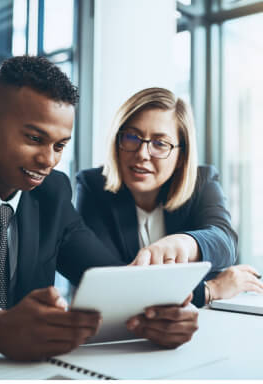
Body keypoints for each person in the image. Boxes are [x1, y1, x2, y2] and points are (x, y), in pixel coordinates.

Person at [0, 59, 199, 371]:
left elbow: (110, 280)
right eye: (34, 139)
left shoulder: (52, 193)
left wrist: (160, 315)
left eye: (60, 146)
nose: (48, 161)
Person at [76, 87, 262, 308]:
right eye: (131, 137)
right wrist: (210, 290)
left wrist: (185, 243)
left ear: (181, 156)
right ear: (117, 141)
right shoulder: (94, 186)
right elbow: (106, 284)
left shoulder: (201, 181)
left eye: (160, 143)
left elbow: (224, 242)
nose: (142, 154)